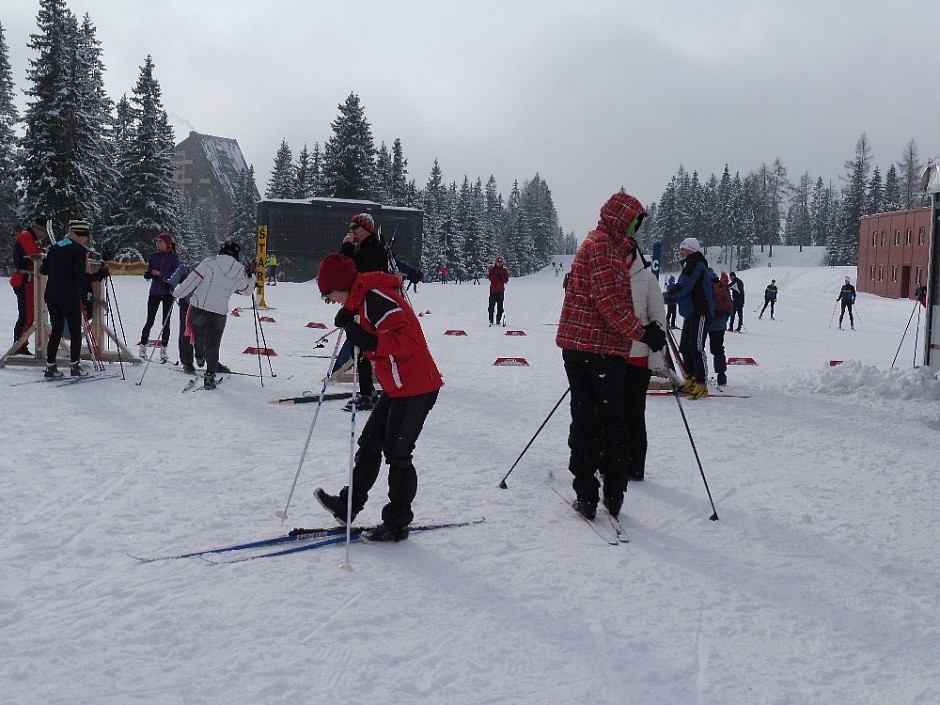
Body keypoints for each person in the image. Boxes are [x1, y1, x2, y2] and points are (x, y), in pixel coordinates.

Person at [314, 253, 443, 543]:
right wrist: (349, 315)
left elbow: (408, 340)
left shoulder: (375, 299)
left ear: (341, 284)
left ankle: (396, 524)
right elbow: (362, 316)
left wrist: (372, 341)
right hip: (399, 386)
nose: (330, 300)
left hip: (417, 385)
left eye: (329, 295)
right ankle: (347, 507)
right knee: (370, 444)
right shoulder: (362, 296)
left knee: (398, 455)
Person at [556, 191, 666, 520]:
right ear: (621, 219)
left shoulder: (603, 244)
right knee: (609, 422)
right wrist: (643, 332)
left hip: (584, 347)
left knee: (588, 421)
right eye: (633, 222)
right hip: (597, 349)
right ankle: (605, 493)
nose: (635, 229)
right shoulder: (602, 245)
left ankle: (592, 493)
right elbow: (608, 303)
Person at [171, 240, 254, 389]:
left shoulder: (209, 263)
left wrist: (176, 293)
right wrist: (250, 276)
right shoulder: (240, 270)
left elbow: (191, 281)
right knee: (214, 346)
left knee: (198, 335)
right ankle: (210, 377)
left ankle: (199, 355)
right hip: (219, 313)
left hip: (199, 308)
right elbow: (247, 291)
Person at [621, 239, 668, 481]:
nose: (623, 256)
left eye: (626, 252)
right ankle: (610, 462)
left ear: (634, 253)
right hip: (612, 356)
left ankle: (634, 466)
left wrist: (655, 341)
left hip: (638, 359)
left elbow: (658, 317)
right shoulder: (611, 276)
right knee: (608, 413)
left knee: (634, 414)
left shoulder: (647, 280)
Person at [340, 212, 390, 411]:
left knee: (363, 349)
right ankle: (369, 391)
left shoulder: (373, 249)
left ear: (366, 229)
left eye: (355, 228)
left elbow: (354, 272)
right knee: (361, 349)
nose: (351, 232)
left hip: (371, 306)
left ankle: (368, 393)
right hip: (367, 304)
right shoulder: (367, 247)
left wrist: (347, 248)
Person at [39, 219, 92, 378]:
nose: (86, 240)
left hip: (52, 295)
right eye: (86, 237)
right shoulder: (78, 250)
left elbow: (44, 269)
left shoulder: (54, 248)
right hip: (69, 295)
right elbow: (80, 276)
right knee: (75, 331)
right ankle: (75, 366)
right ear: (79, 235)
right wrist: (99, 274)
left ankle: (50, 366)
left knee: (56, 330)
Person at [665, 237, 713, 400]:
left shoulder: (694, 264)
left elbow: (685, 285)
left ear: (691, 250)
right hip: (691, 311)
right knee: (685, 346)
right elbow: (684, 288)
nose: (681, 251)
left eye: (683, 249)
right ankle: (691, 377)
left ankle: (701, 382)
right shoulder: (689, 264)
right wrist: (670, 297)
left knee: (696, 346)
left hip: (700, 311)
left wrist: (669, 294)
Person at [137, 232, 180, 362]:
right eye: (156, 242)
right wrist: (149, 274)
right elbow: (150, 270)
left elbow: (176, 273)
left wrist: (162, 274)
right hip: (155, 291)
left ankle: (164, 348)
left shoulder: (174, 257)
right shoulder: (153, 256)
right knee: (149, 320)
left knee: (165, 322)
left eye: (160, 242)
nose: (157, 244)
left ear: (167, 243)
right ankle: (143, 345)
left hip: (168, 292)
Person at [10, 216, 48, 355]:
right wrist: (44, 253)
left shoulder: (30, 238)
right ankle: (19, 345)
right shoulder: (25, 236)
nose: (43, 235)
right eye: (43, 232)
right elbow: (34, 254)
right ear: (37, 229)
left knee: (30, 314)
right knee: (26, 315)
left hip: (29, 280)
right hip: (23, 279)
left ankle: (22, 345)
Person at [709, 272, 730, 387]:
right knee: (718, 349)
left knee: (697, 348)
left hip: (709, 321)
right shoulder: (722, 287)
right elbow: (729, 308)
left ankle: (699, 375)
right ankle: (721, 376)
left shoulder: (706, 286)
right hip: (720, 323)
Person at [487, 256, 510, 326]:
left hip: (500, 291)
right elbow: (489, 277)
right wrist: (495, 277)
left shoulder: (504, 270)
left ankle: (498, 320)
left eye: (500, 262)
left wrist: (501, 278)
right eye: (498, 262)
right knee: (491, 306)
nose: (499, 264)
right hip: (493, 290)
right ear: (495, 262)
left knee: (500, 307)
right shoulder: (492, 269)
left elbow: (506, 280)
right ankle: (491, 320)